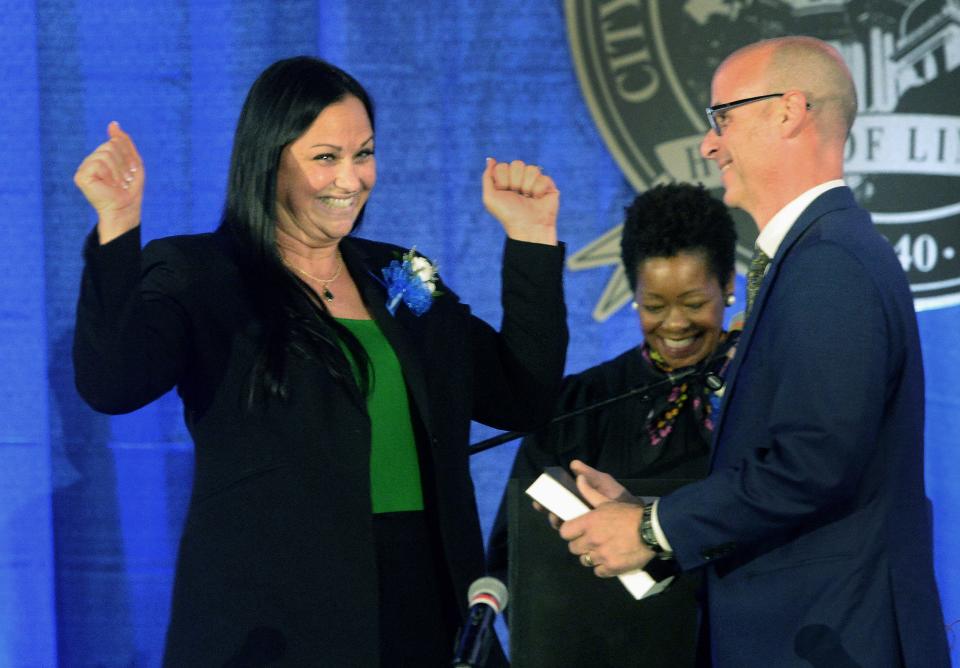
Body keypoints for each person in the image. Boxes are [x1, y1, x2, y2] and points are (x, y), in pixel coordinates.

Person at [72, 56, 567, 667]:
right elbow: (111, 383)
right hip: (279, 623)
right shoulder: (202, 274)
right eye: (327, 157)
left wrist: (532, 240)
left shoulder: (398, 274)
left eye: (364, 154)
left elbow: (523, 397)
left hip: (424, 605)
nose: (353, 179)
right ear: (270, 160)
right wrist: (118, 227)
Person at [553, 36, 950, 666]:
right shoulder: (815, 257)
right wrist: (650, 514)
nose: (711, 143)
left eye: (723, 117)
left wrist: (654, 531)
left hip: (829, 639)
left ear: (789, 111)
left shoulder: (828, 264)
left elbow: (812, 463)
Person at [485, 183, 738, 666]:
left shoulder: (767, 394)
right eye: (655, 305)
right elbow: (515, 557)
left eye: (692, 302)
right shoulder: (580, 405)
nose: (675, 324)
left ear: (727, 283)